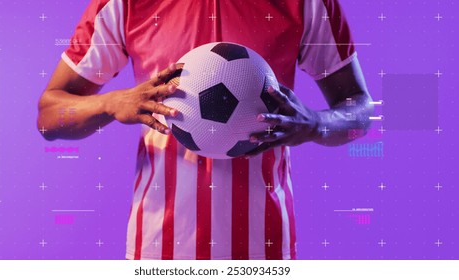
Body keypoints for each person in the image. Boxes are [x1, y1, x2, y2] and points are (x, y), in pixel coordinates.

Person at [37, 0, 373, 260]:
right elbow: (49, 116)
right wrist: (110, 103)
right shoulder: (126, 4)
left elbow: (360, 112)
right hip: (158, 248)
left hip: (265, 248)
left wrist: (316, 124)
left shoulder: (304, 3)